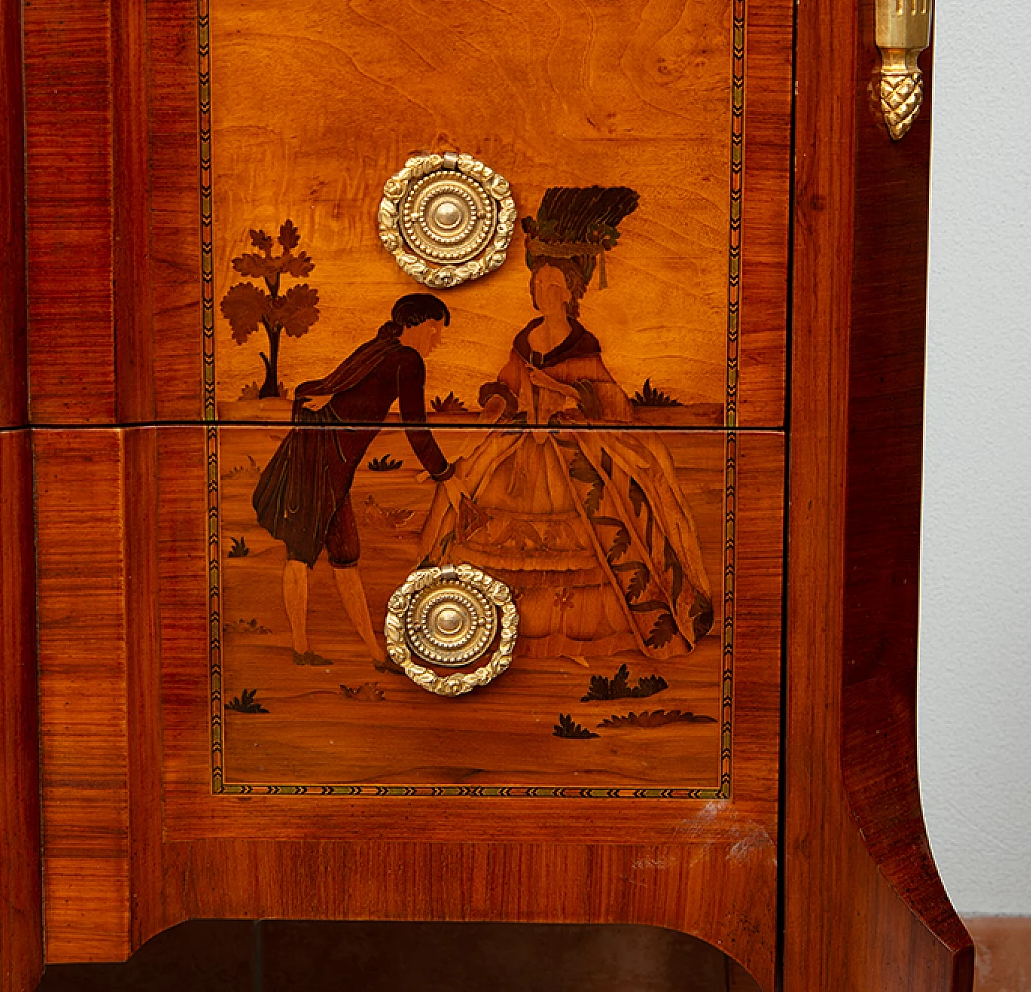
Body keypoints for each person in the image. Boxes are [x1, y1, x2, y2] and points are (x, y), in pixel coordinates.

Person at [422, 186, 713, 663]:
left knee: (621, 514)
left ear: (568, 291)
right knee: (468, 500)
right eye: (538, 284)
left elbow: (610, 400)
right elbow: (504, 384)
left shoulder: (581, 344)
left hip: (573, 446)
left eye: (552, 284)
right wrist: (497, 402)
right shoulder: (526, 337)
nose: (543, 291)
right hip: (521, 447)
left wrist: (562, 392)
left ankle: (585, 634)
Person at [253, 292, 460, 667]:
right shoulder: (405, 358)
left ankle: (374, 654)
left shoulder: (381, 349)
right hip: (322, 458)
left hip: (333, 460)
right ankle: (305, 648)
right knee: (304, 553)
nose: (437, 340)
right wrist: (444, 473)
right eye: (434, 331)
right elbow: (415, 425)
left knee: (343, 556)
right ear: (415, 326)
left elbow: (339, 384)